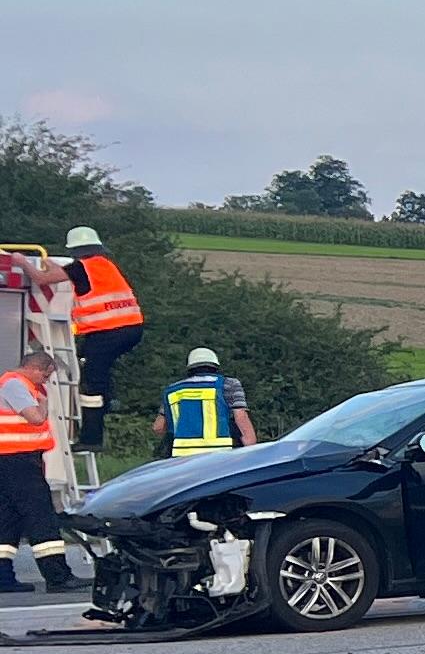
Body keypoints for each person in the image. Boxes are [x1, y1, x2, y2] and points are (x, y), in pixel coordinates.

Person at [61, 225, 143, 453]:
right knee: (98, 366)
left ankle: (91, 438)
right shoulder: (106, 266)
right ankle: (109, 400)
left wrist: (22, 263)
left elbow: (43, 278)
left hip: (106, 331)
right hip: (131, 329)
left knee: (91, 384)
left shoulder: (79, 269)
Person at [0, 344, 73, 595]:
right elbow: (34, 417)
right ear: (35, 368)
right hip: (18, 460)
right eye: (46, 375)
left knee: (7, 519)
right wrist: (42, 404)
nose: (46, 381)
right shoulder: (15, 384)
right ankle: (57, 576)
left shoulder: (13, 383)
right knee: (41, 515)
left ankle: (3, 577)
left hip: (9, 460)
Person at [155, 346, 257, 456]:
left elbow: (158, 427)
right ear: (215, 366)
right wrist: (250, 449)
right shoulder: (229, 385)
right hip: (220, 454)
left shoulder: (172, 391)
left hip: (182, 457)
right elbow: (241, 416)